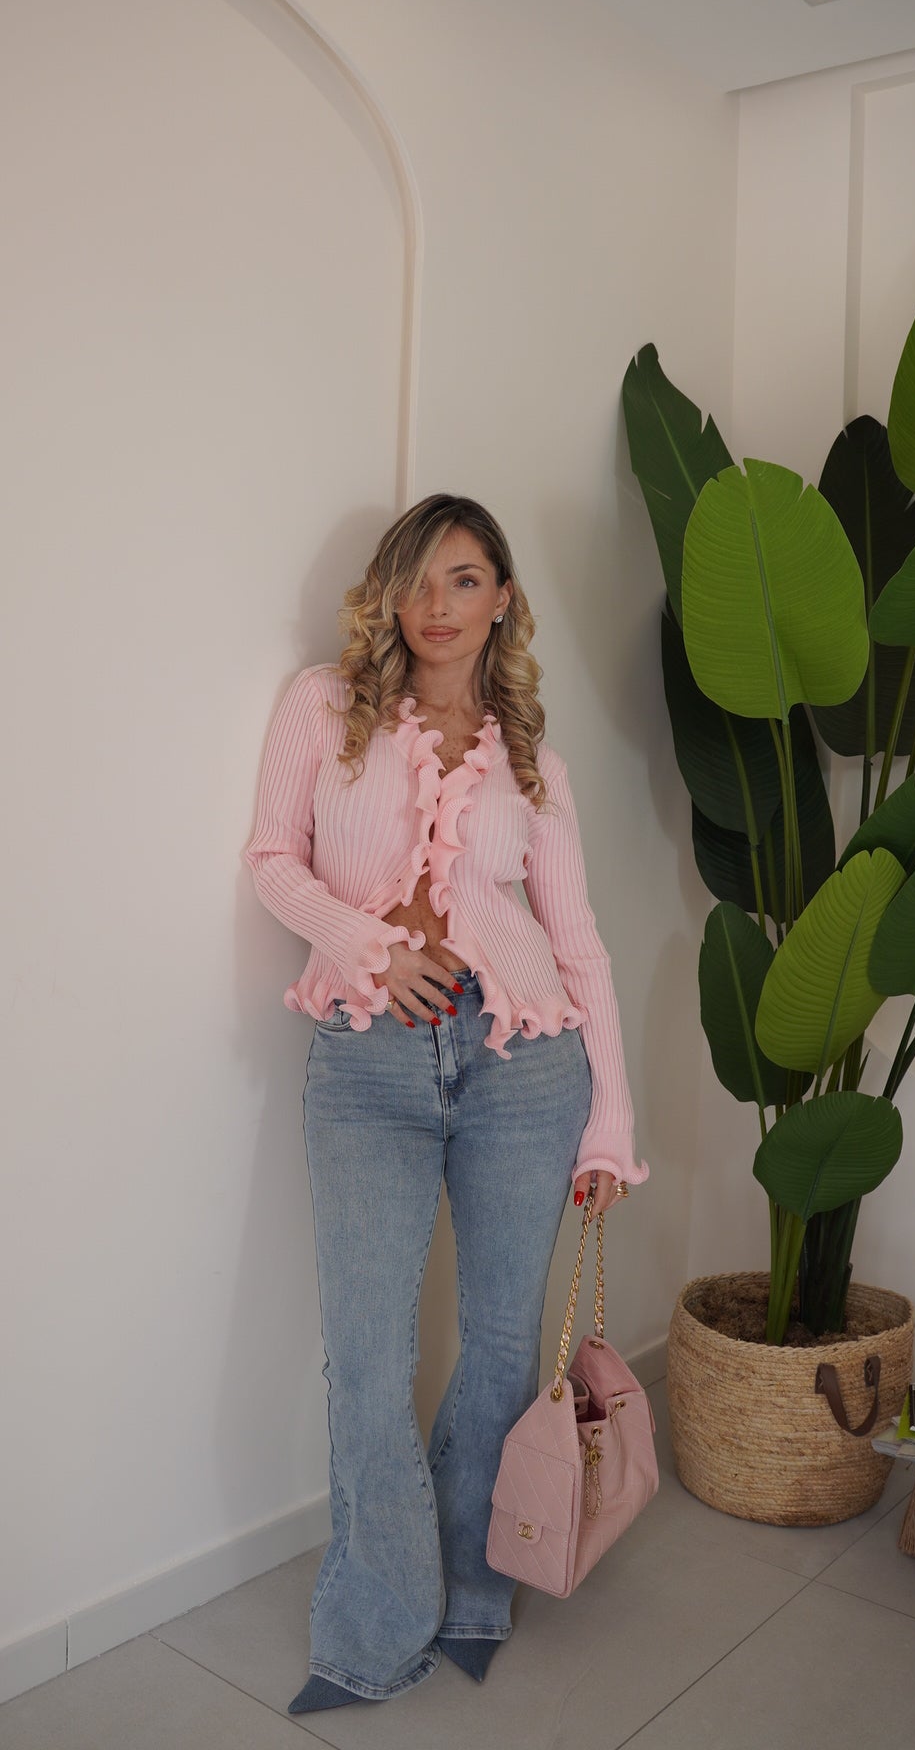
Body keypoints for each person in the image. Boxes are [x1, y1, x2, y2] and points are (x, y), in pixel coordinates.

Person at [246, 494, 647, 1713]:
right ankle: (377, 1628)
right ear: (389, 591)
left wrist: (611, 1123)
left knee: (498, 1345)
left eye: (464, 579)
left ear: (502, 599)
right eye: (417, 579)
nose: (436, 605)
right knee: (367, 1361)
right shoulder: (325, 706)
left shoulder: (535, 764)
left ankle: (475, 1591)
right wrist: (369, 946)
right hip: (368, 1063)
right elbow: (272, 860)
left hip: (525, 1066)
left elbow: (579, 946)